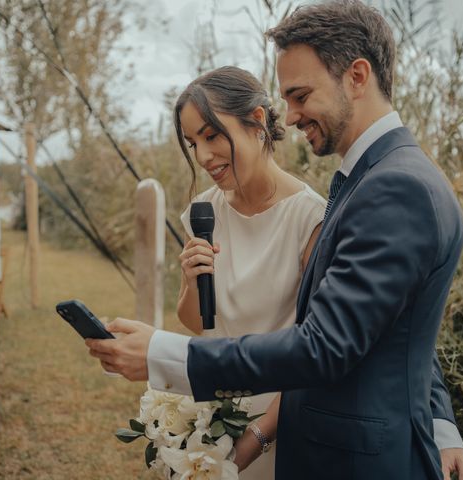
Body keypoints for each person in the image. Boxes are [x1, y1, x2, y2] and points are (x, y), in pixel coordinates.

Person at [87, 2, 463, 479]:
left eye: (300, 95)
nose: (287, 117)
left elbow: (325, 344)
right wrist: (439, 419)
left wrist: (161, 355)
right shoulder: (372, 179)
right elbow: (389, 317)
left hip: (352, 458)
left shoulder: (394, 187)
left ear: (357, 76)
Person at [172, 66, 326, 479]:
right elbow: (196, 324)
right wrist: (190, 281)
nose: (203, 157)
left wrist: (254, 440)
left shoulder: (310, 218)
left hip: (280, 421)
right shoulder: (203, 211)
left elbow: (318, 350)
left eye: (211, 135)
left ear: (258, 121)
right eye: (192, 143)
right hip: (211, 412)